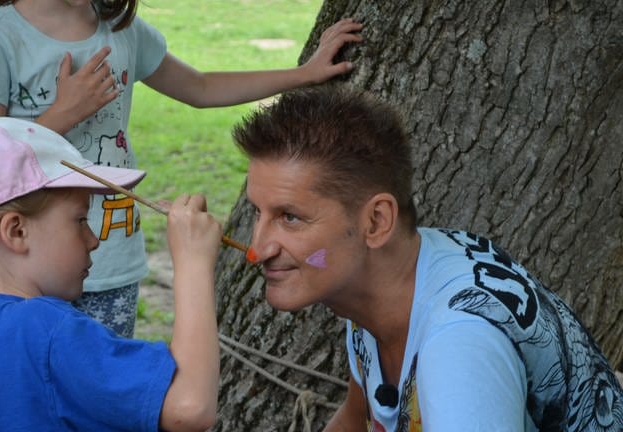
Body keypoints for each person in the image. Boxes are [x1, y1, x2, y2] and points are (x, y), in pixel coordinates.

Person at [0, 0, 364, 337]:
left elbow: (200, 87)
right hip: (27, 266)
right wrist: (60, 115)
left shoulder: (121, 30)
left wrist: (304, 74)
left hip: (112, 259)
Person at [233, 85, 623, 431]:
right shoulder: (378, 283)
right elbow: (355, 420)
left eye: (290, 217)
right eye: (257, 212)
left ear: (376, 221)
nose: (258, 248)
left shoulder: (459, 346)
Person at [0, 117, 222, 432]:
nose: (94, 240)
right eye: (80, 220)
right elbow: (190, 407)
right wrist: (193, 262)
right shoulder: (42, 331)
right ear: (16, 231)